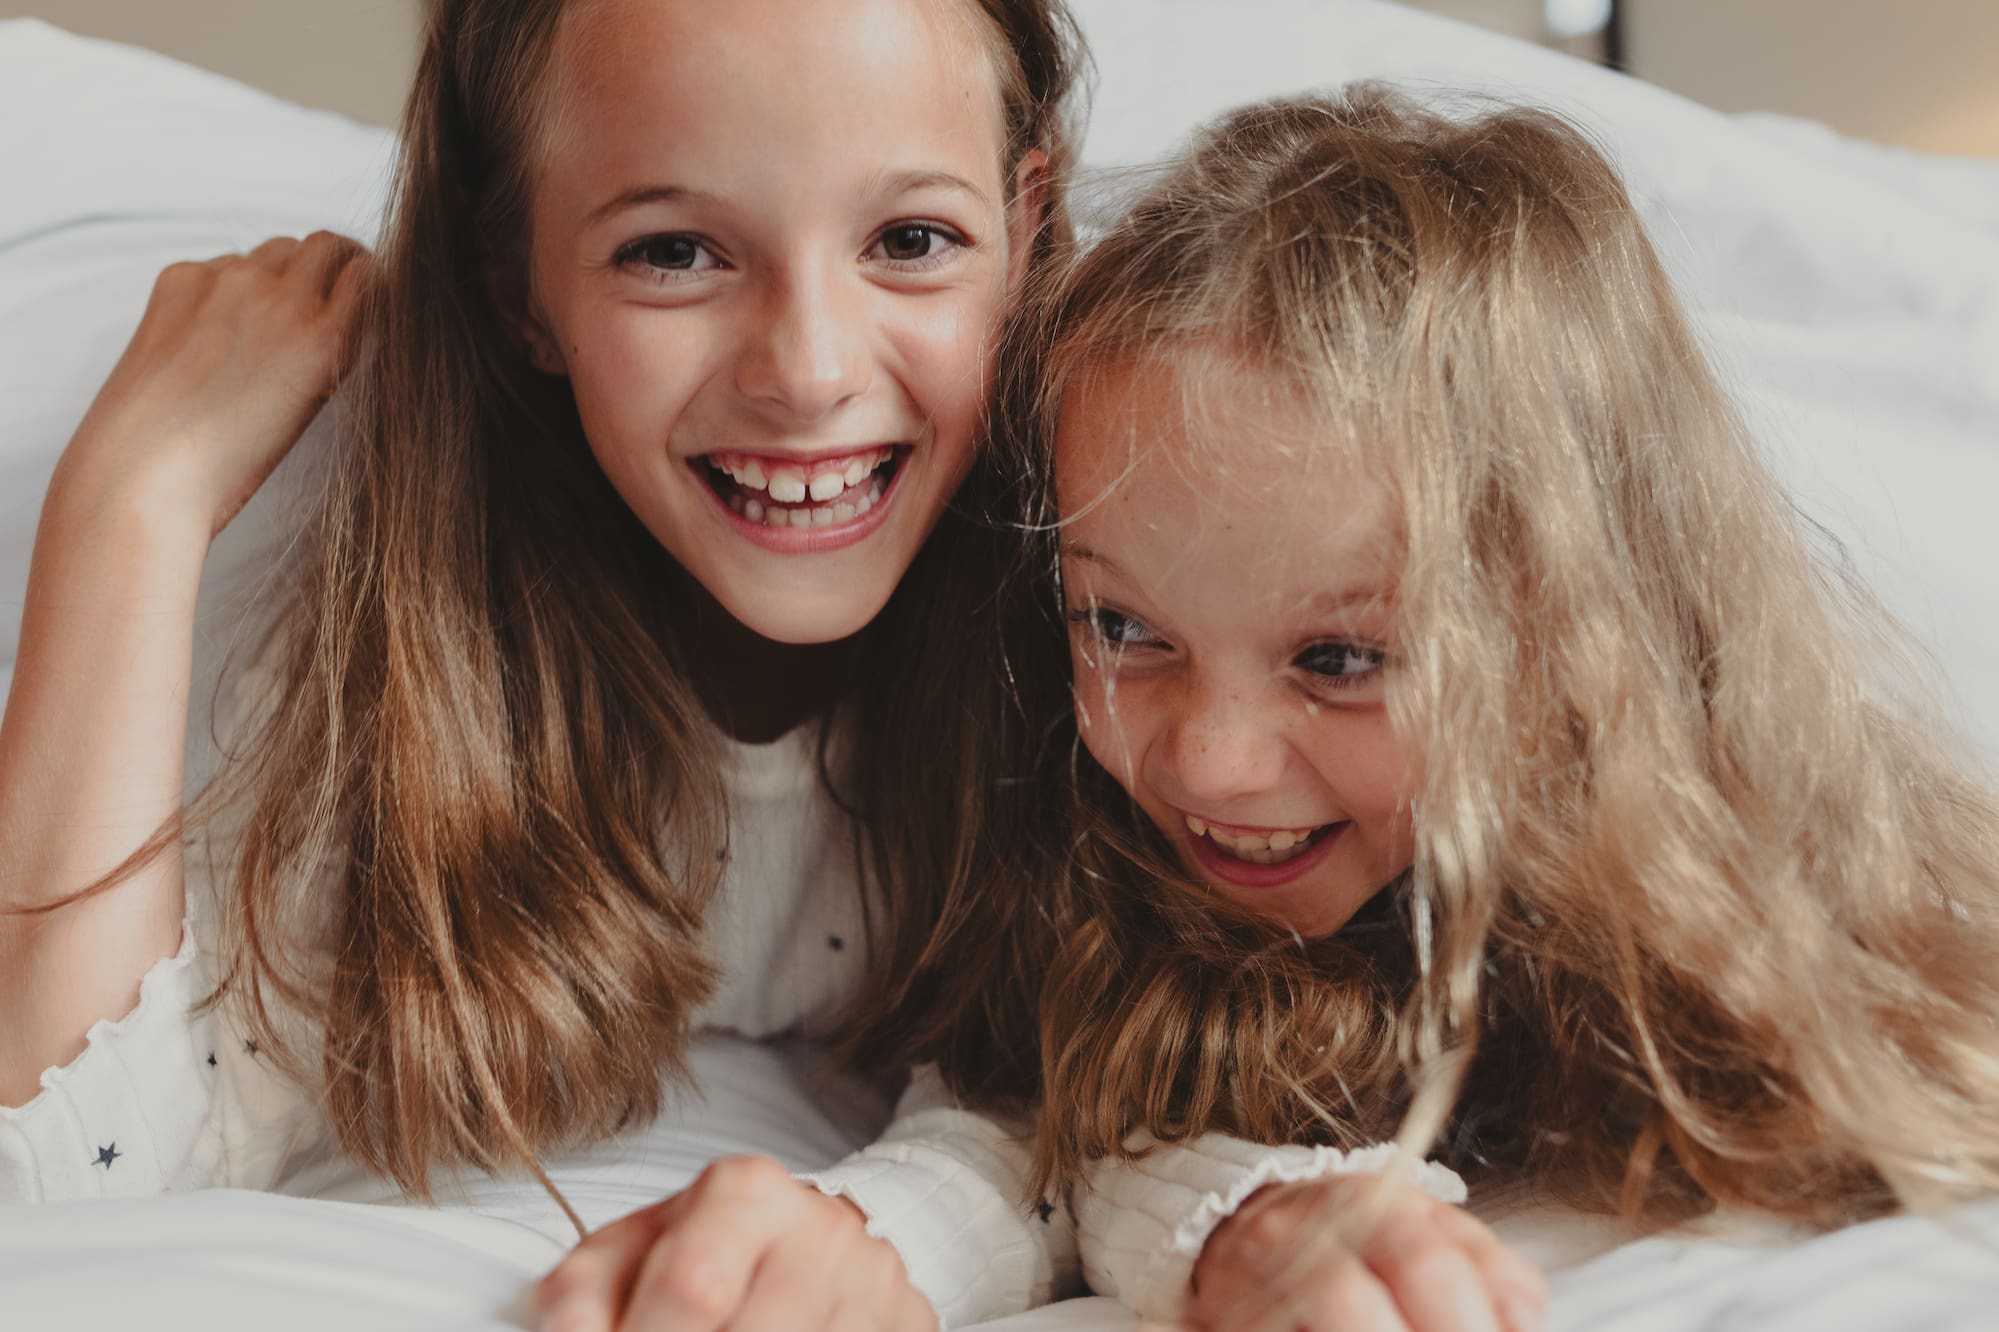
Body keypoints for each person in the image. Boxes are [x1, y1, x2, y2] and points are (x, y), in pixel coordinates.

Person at [0, 0, 1094, 1326]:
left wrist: (897, 1227)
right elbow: (55, 1181)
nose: (807, 372)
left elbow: (1128, 1072)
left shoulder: (1118, 560)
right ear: (513, 287)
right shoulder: (351, 606)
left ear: (1026, 230)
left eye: (910, 240)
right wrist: (129, 503)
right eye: (675, 252)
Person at [955, 86, 1999, 1331]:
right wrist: (1238, 1212)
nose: (1211, 763)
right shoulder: (1086, 866)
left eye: (1340, 657)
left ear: (1576, 628)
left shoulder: (1772, 889)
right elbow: (1043, 1136)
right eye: (1122, 629)